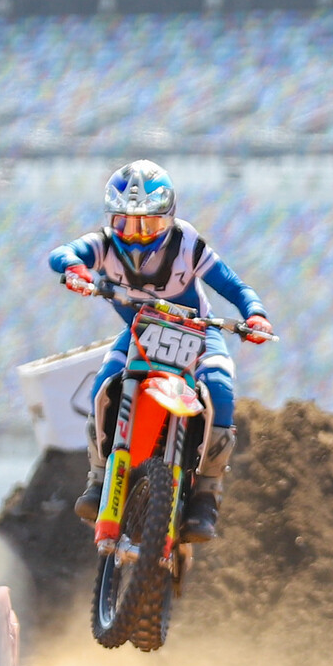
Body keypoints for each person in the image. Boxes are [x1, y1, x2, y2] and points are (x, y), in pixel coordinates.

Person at [49, 160, 272, 542]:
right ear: (111, 219)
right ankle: (99, 477)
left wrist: (256, 315)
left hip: (197, 331)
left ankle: (207, 493)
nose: (136, 237)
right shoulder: (103, 244)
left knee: (220, 388)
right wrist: (75, 269)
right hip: (139, 333)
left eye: (148, 225)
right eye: (125, 224)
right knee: (103, 387)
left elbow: (234, 286)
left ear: (168, 219)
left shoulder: (187, 243)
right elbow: (63, 252)